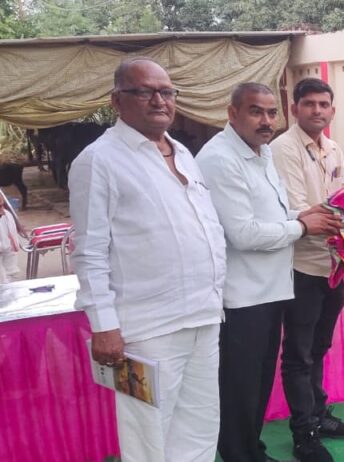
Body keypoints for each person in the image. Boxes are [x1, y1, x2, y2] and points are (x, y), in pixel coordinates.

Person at [69, 58, 227, 461]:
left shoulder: (183, 153)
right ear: (116, 100)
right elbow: (89, 250)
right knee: (148, 435)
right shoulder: (98, 160)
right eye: (144, 91)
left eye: (167, 91)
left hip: (204, 315)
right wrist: (104, 325)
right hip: (146, 327)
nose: (159, 100)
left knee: (200, 423)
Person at [196, 82, 342, 462]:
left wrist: (300, 215)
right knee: (240, 387)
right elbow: (243, 233)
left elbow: (272, 214)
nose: (265, 121)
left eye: (270, 112)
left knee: (257, 384)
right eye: (255, 111)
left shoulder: (259, 153)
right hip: (242, 296)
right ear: (233, 114)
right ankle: (240, 453)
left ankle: (251, 450)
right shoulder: (221, 158)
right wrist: (303, 226)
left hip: (271, 289)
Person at [270, 77, 344, 462]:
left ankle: (319, 415)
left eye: (324, 105)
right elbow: (298, 212)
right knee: (298, 354)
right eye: (309, 104)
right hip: (301, 268)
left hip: (332, 266)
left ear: (332, 111)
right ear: (295, 108)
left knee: (320, 347)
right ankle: (303, 433)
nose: (317, 110)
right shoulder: (283, 149)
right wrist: (342, 218)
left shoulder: (333, 148)